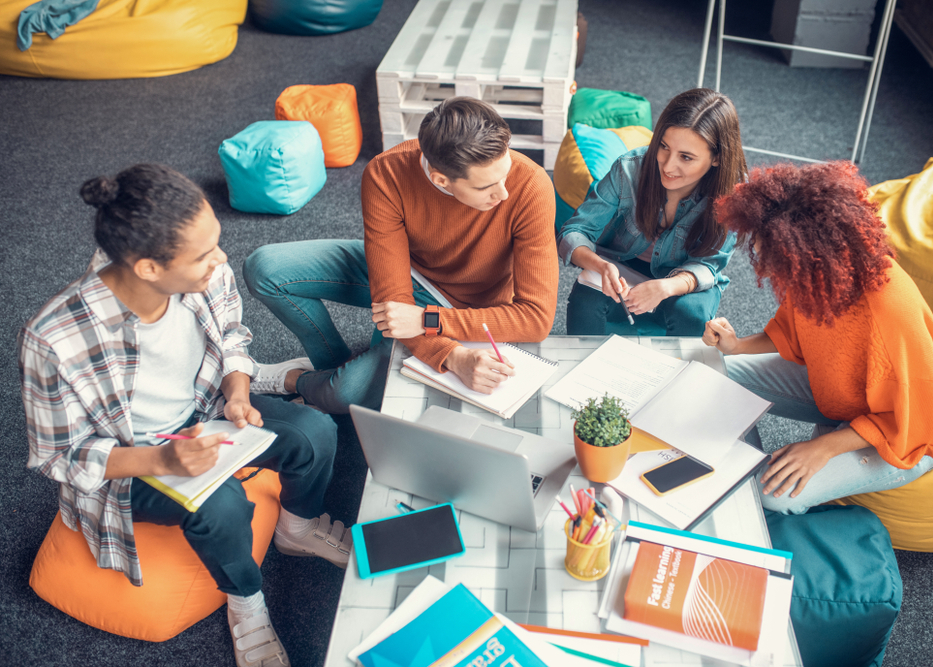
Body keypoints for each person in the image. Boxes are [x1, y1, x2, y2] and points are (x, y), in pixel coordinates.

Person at [19, 165, 353, 667]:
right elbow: (59, 458)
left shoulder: (206, 273)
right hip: (134, 461)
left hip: (205, 411)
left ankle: (296, 529)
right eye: (203, 254)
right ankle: (245, 602)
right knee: (220, 505)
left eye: (216, 242)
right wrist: (165, 461)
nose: (221, 260)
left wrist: (237, 391)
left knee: (315, 432)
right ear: (150, 267)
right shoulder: (53, 341)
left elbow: (233, 339)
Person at [243, 97, 558, 408]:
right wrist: (448, 354)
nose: (503, 193)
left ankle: (296, 380)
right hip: (406, 274)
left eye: (505, 173)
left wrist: (431, 325)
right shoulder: (386, 173)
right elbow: (393, 299)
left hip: (469, 310)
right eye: (485, 187)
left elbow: (536, 318)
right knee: (265, 269)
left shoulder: (530, 186)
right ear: (441, 180)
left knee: (344, 395)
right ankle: (332, 365)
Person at [702, 161, 933, 515]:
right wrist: (737, 346)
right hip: (848, 390)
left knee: (771, 495)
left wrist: (824, 447)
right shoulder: (815, 275)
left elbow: (914, 418)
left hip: (914, 419)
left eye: (770, 253)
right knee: (714, 370)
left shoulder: (890, 313)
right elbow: (792, 333)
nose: (761, 260)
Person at [557, 88, 747, 335]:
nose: (668, 166)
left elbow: (708, 266)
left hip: (683, 278)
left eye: (686, 157)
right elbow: (574, 231)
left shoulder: (734, 194)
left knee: (690, 314)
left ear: (717, 159)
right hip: (622, 265)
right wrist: (601, 266)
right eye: (664, 147)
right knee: (585, 302)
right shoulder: (629, 168)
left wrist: (667, 287)